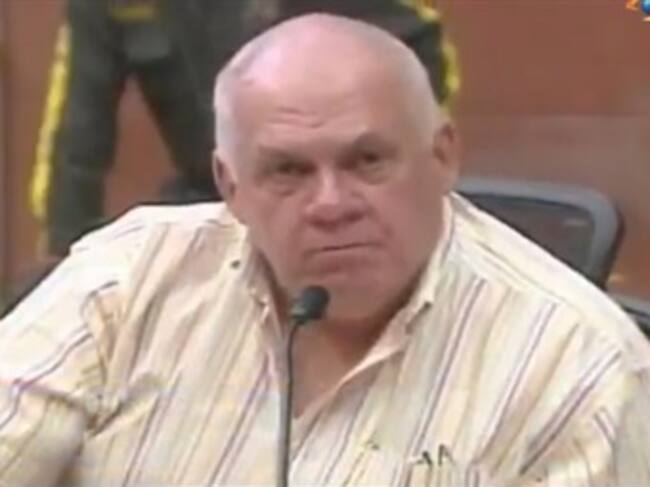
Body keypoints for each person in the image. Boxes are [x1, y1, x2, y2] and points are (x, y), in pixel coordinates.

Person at [2, 13, 649, 486]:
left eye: (367, 161)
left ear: (443, 155)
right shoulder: (125, 281)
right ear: (230, 185)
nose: (331, 204)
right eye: (287, 170)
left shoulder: (580, 369)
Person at [29, 0, 458, 259]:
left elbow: (424, 70)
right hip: (207, 199)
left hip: (338, 196)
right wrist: (64, 254)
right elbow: (77, 129)